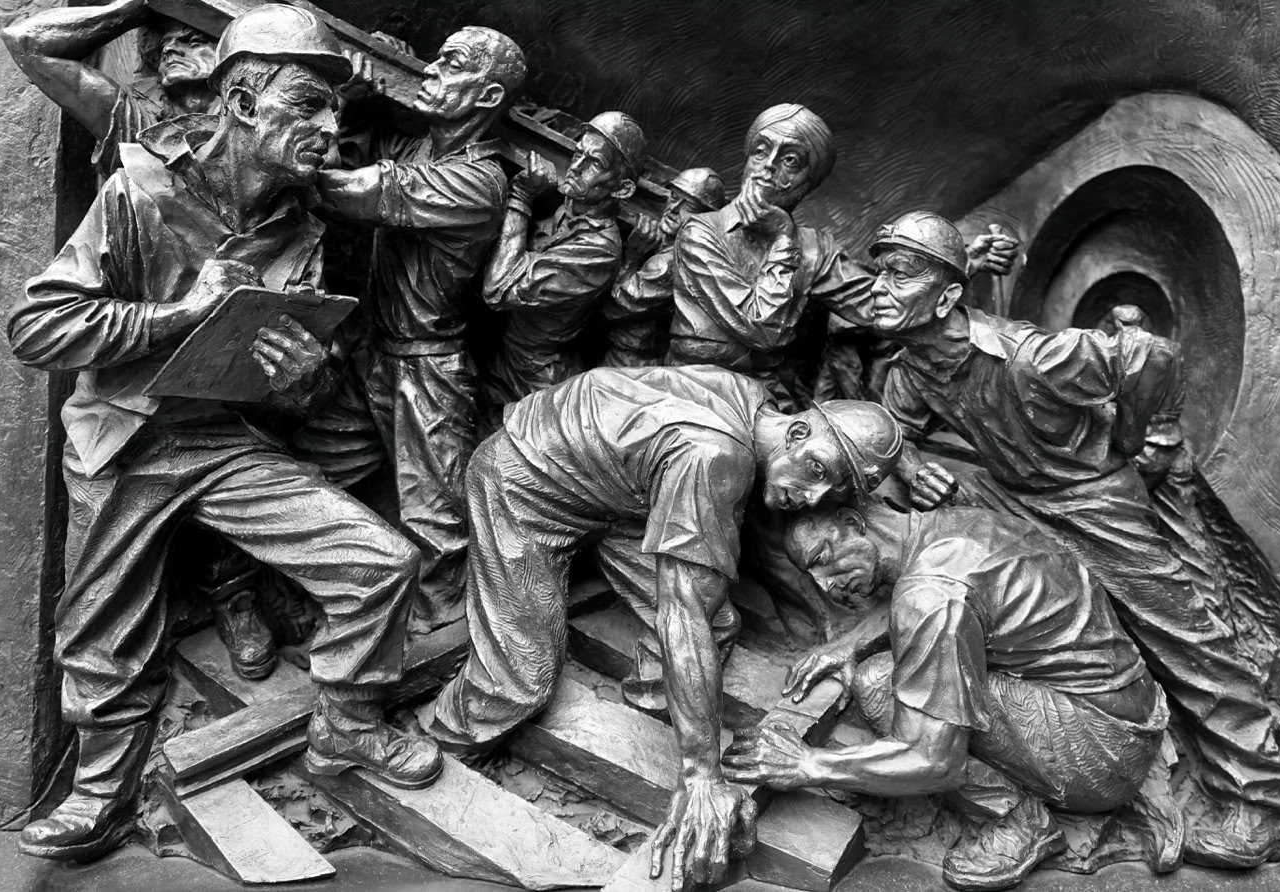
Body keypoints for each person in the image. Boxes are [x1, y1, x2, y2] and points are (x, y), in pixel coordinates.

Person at [6, 5, 443, 861]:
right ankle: (99, 794)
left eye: (336, 112)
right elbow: (38, 329)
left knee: (379, 563)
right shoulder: (140, 188)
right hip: (122, 439)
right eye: (310, 105)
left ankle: (348, 724)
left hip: (219, 440)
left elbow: (300, 384)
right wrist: (179, 317)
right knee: (100, 625)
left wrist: (301, 378)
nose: (331, 128)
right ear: (244, 102)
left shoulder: (302, 223)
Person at [866, 210, 1280, 867]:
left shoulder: (1032, 356)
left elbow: (1152, 355)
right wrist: (908, 464)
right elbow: (888, 429)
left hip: (1097, 505)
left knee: (1186, 640)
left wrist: (1133, 437)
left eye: (900, 275)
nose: (879, 288)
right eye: (878, 273)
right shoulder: (914, 369)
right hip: (1022, 502)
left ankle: (1261, 806)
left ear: (948, 296)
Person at [419, 364, 902, 891]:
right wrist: (702, 775)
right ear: (800, 430)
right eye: (816, 469)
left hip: (617, 496)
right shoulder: (717, 457)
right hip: (525, 484)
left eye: (831, 490)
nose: (812, 497)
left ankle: (656, 703)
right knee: (522, 676)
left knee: (716, 623)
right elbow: (681, 609)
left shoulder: (752, 401)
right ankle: (446, 744)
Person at [0, 0, 285, 679]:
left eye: (205, 40)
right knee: (110, 529)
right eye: (174, 40)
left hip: (224, 365)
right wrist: (140, 5)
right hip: (130, 341)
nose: (187, 52)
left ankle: (231, 594)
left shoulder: (268, 142)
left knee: (246, 437)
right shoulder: (139, 125)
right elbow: (28, 42)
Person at [724, 501, 1180, 891]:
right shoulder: (953, 526)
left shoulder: (927, 597)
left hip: (1101, 754)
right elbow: (960, 596)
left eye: (824, 557)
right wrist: (850, 644)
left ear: (854, 522)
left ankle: (1018, 823)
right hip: (1129, 711)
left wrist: (807, 764)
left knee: (881, 686)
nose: (826, 584)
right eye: (811, 574)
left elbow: (932, 761)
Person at [292, 26, 526, 631]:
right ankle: (341, 589)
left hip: (428, 371)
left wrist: (278, 151)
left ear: (487, 94)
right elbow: (347, 150)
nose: (429, 74)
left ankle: (436, 637)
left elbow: (347, 191)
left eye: (450, 67)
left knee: (435, 523)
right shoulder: (417, 146)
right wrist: (358, 99)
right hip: (372, 354)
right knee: (316, 467)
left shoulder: (479, 180)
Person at [667, 103, 1017, 410]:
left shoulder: (815, 247)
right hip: (696, 390)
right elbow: (759, 329)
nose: (768, 167)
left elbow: (877, 305)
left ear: (809, 183)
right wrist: (782, 241)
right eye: (760, 151)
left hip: (761, 398)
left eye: (790, 161)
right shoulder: (700, 232)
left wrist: (959, 265)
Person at [479, 111, 646, 416]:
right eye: (577, 153)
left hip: (536, 382)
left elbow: (499, 289)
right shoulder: (570, 208)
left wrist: (520, 197)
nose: (576, 166)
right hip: (503, 359)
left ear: (622, 189)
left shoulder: (598, 251)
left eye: (593, 162)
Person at [1, 0, 220, 177]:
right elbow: (26, 43)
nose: (170, 49)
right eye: (163, 46)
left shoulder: (248, 122)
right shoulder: (142, 131)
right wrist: (135, 8)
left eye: (192, 41)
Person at [603, 167, 726, 367]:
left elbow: (613, 308)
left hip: (630, 362)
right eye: (674, 196)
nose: (674, 208)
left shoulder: (669, 263)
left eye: (690, 206)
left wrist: (632, 258)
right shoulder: (671, 245)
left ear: (706, 219)